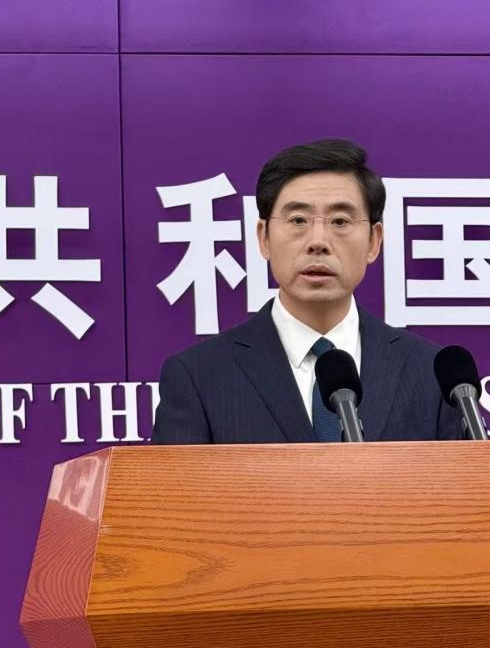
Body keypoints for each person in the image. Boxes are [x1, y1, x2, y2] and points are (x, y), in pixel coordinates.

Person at [151, 139, 465, 444]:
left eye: (340, 221)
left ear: (373, 241)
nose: (318, 242)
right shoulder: (199, 377)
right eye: (298, 220)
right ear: (263, 237)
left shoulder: (432, 373)